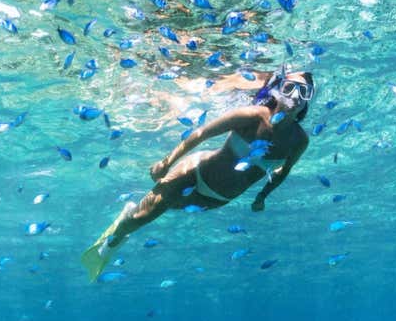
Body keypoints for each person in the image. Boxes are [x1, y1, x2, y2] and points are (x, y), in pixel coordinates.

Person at [81, 67, 315, 280]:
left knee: (159, 209)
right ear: (277, 90)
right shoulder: (252, 115)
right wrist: (166, 162)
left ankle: (128, 216)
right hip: (194, 172)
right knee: (144, 217)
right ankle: (112, 243)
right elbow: (201, 133)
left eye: (303, 92)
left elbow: (283, 171)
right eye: (289, 87)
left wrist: (262, 196)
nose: (295, 96)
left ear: (307, 100)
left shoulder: (299, 141)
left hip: (217, 199)